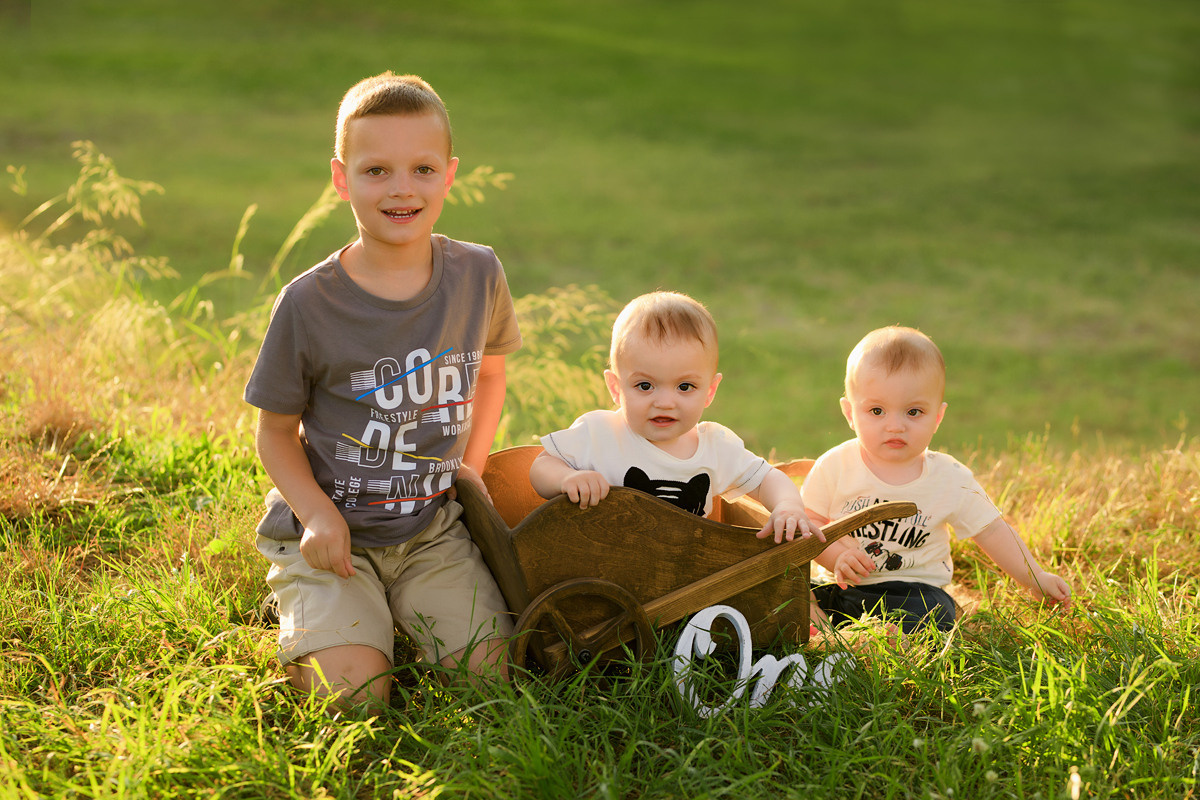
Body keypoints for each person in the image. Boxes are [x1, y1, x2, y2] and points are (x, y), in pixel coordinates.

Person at [245, 72, 520, 707]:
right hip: (333, 533)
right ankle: (324, 610)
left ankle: (391, 610)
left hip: (432, 529)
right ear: (341, 179)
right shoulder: (308, 303)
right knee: (355, 697)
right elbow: (274, 432)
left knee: (487, 684)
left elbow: (490, 374)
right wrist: (317, 515)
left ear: (450, 175)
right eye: (376, 171)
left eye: (423, 169)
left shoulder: (478, 273)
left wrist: (471, 471)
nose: (402, 188)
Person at [802, 326, 1072, 634]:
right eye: (877, 411)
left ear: (938, 418)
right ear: (850, 413)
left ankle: (876, 638)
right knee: (791, 593)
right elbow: (808, 525)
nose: (895, 426)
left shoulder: (949, 477)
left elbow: (992, 530)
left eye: (913, 412)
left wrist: (1035, 577)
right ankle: (828, 633)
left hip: (914, 592)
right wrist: (836, 555)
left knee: (933, 614)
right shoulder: (835, 466)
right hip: (843, 587)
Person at [529, 291, 819, 544]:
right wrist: (568, 478)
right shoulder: (600, 432)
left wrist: (787, 506)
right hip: (605, 563)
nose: (665, 403)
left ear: (709, 391)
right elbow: (541, 467)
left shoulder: (715, 447)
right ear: (616, 388)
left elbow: (767, 479)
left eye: (685, 387)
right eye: (645, 386)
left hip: (685, 573)